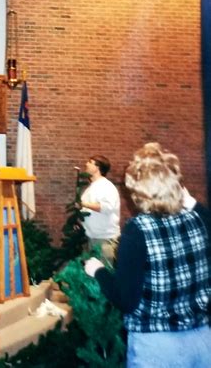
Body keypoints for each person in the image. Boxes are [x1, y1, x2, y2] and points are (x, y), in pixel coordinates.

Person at [84, 143, 211, 368]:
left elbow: (126, 300)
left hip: (157, 346)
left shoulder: (138, 230)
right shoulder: (198, 220)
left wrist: (98, 271)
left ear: (138, 192)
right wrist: (190, 202)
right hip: (202, 340)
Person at [80, 154, 120, 266]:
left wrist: (84, 204)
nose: (86, 164)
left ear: (97, 167)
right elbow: (86, 209)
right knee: (91, 276)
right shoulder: (91, 187)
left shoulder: (106, 186)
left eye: (90, 162)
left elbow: (107, 207)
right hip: (91, 237)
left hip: (104, 240)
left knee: (104, 275)